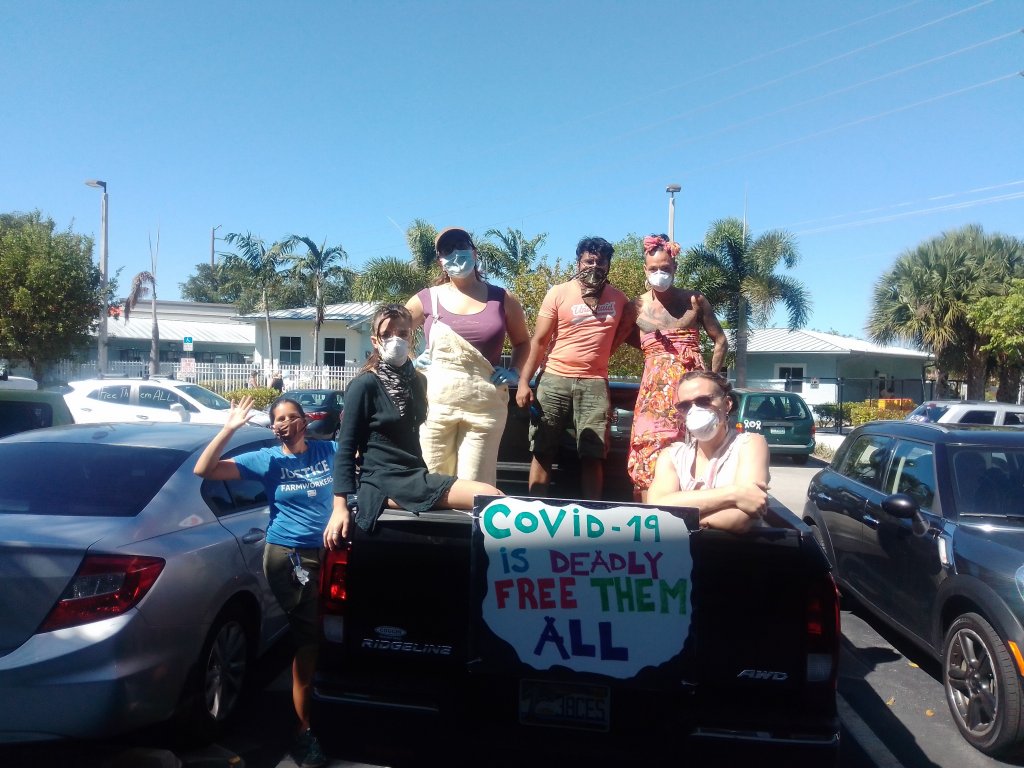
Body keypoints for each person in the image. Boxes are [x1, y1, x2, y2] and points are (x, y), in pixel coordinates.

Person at [194, 395, 334, 768]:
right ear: (273, 427)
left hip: (326, 552)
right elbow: (204, 470)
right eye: (279, 420)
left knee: (317, 632)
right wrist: (229, 428)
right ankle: (303, 732)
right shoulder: (266, 459)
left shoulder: (328, 451)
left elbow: (364, 469)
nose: (286, 424)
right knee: (307, 640)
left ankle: (312, 700)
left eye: (293, 417)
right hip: (288, 556)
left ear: (305, 421)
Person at [324, 303, 501, 543]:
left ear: (411, 337)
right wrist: (339, 507)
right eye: (386, 335)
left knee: (490, 499)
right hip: (383, 480)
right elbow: (345, 449)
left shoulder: (418, 382)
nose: (395, 339)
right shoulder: (364, 385)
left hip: (414, 473)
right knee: (490, 496)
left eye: (402, 333)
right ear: (375, 341)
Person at [405, 227, 531, 485]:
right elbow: (392, 331)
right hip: (436, 406)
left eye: (461, 245)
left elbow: (523, 342)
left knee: (476, 483)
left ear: (474, 252)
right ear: (440, 260)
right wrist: (410, 360)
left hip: (485, 407)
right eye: (446, 250)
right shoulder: (427, 299)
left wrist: (515, 371)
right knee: (433, 478)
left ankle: (469, 527)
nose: (455, 253)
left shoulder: (502, 298)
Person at [516, 236, 636, 499]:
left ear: (608, 264)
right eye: (589, 260)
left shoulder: (619, 299)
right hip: (554, 379)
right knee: (542, 449)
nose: (594, 266)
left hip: (594, 383)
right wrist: (524, 382)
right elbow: (539, 341)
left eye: (600, 261)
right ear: (579, 261)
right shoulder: (558, 292)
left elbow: (632, 335)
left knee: (593, 454)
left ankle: (591, 514)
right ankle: (536, 508)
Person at [627, 234, 728, 501]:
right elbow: (622, 339)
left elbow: (720, 341)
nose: (659, 273)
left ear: (675, 269)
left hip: (691, 389)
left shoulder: (694, 301)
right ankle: (649, 519)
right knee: (649, 447)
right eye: (653, 269)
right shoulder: (635, 307)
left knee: (694, 444)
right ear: (645, 270)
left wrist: (712, 381)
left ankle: (692, 515)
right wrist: (656, 355)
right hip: (654, 394)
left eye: (665, 268)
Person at [647, 370, 769, 533]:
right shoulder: (672, 456)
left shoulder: (749, 444)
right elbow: (657, 507)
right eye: (685, 405)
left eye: (704, 401)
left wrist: (677, 517)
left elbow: (740, 519)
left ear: (727, 404)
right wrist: (734, 493)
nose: (694, 410)